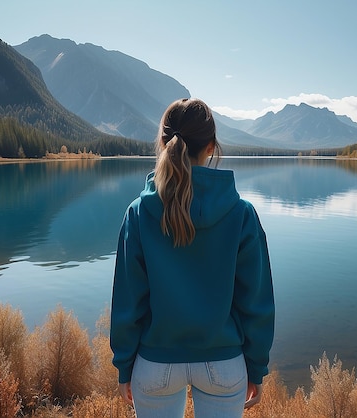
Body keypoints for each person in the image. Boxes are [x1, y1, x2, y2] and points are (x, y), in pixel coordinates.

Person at [110, 98, 275, 417]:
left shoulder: (139, 212)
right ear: (211, 146)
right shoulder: (241, 214)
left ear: (163, 143)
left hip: (155, 362)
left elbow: (128, 301)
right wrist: (256, 366)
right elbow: (255, 301)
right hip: (224, 363)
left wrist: (125, 366)